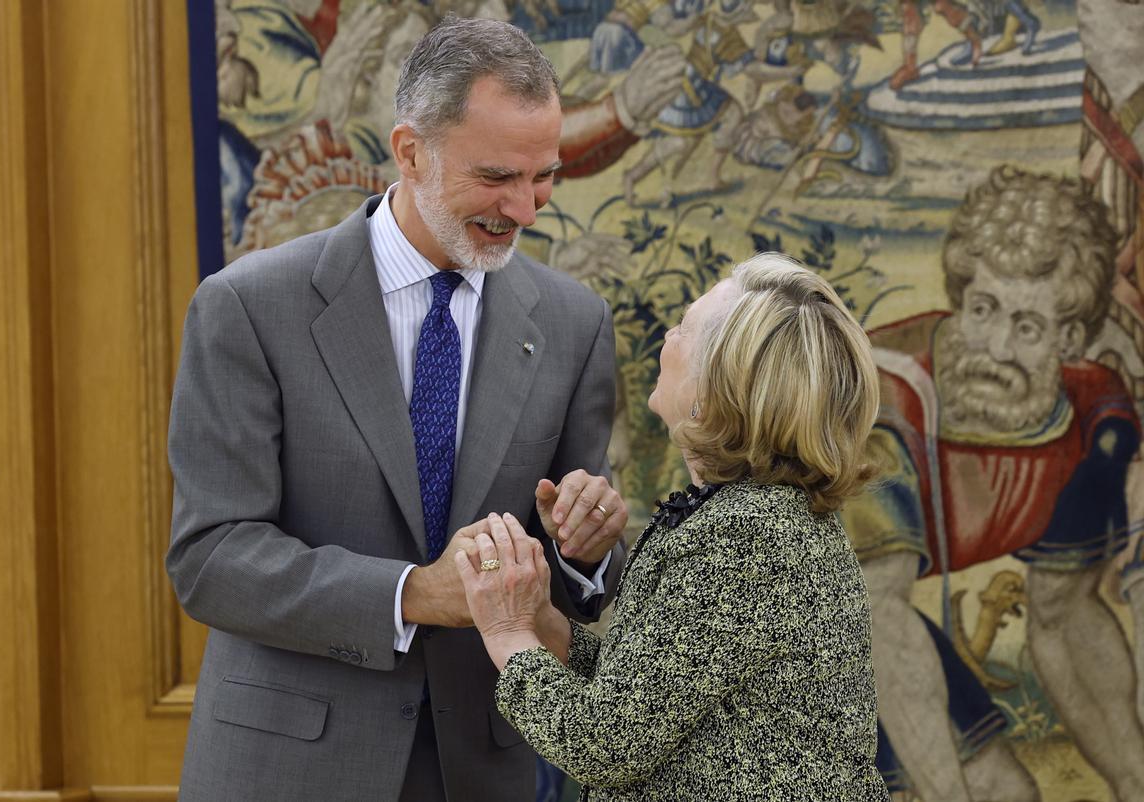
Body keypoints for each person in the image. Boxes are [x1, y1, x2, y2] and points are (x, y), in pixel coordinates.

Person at [166, 17, 629, 802]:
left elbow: (569, 579)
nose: (525, 209)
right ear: (410, 151)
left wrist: (584, 550)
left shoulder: (574, 323)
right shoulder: (247, 307)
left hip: (483, 768)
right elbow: (210, 559)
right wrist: (415, 593)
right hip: (289, 771)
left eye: (542, 176)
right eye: (496, 177)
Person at [453, 253, 891, 800]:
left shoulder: (749, 538)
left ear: (712, 398)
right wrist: (543, 623)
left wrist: (508, 633)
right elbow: (652, 694)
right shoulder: (757, 519)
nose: (667, 334)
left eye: (685, 326)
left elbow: (606, 744)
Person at [843, 166, 1144, 801]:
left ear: (1068, 340)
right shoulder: (884, 398)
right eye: (982, 309)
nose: (995, 346)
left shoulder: (1093, 419)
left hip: (877, 626)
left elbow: (1063, 617)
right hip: (797, 630)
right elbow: (876, 611)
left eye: (1027, 326)